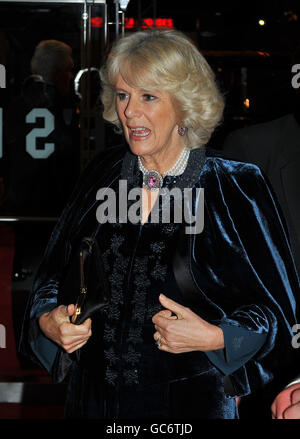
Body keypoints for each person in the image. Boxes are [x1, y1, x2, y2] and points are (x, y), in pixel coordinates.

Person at [19, 30, 300, 419]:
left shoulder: (234, 184)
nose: (130, 111)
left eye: (148, 96)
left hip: (192, 403)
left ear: (184, 104)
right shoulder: (101, 175)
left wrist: (217, 336)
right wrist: (50, 320)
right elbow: (53, 275)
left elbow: (277, 310)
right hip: (94, 401)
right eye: (122, 95)